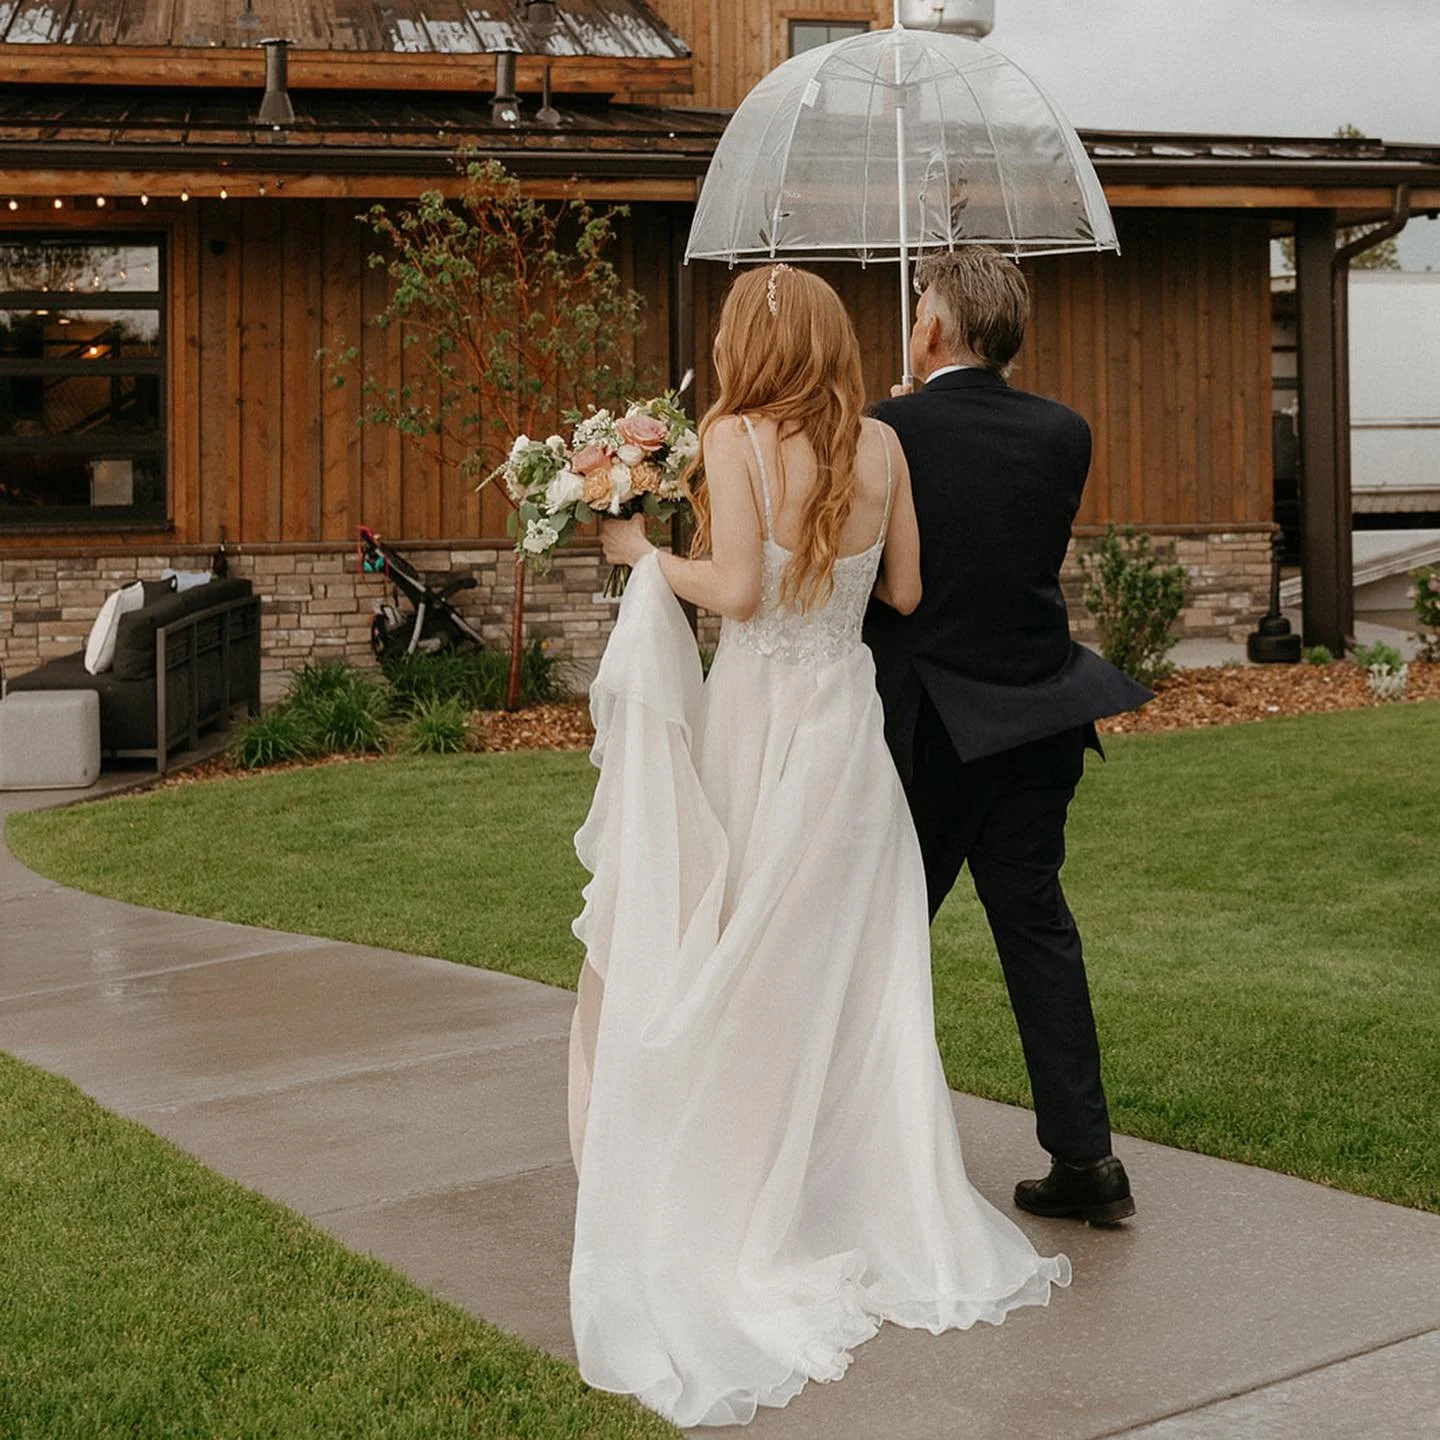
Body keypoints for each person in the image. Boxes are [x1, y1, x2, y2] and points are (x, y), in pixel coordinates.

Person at [569, 264, 1069, 1430]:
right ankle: (852, 1195)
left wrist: (643, 558)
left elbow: (735, 592)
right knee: (847, 973)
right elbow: (904, 592)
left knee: (741, 947)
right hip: (848, 735)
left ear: (750, 341)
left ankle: (745, 1196)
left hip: (758, 724)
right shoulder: (885, 446)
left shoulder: (731, 436)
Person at [864, 248, 1152, 1228]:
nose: (909, 325)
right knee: (1036, 927)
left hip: (936, 723)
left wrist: (897, 423)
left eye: (914, 312)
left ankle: (857, 1156)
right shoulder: (1062, 432)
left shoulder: (887, 429)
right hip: (1042, 713)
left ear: (935, 330)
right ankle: (1087, 1157)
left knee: (880, 934)